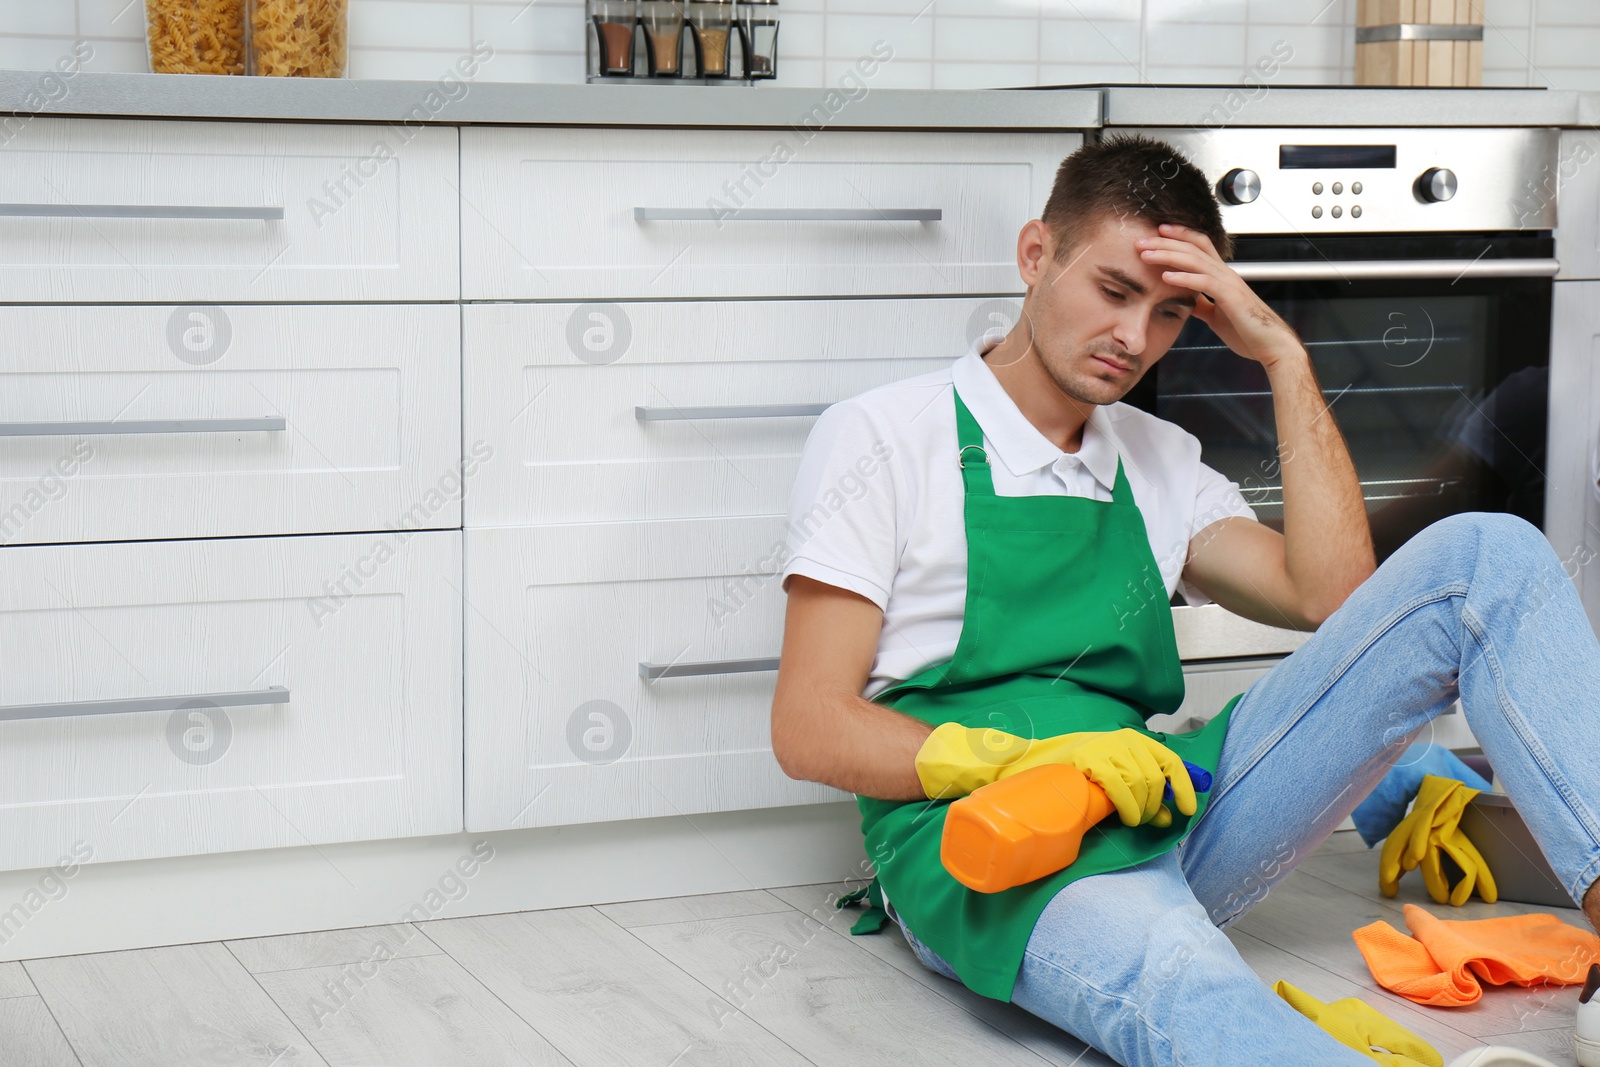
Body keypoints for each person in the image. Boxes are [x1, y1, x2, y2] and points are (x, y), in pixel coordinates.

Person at [770, 133, 1600, 1067]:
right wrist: (1023, 758)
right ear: (1036, 254)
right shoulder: (883, 435)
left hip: (1169, 797)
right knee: (1179, 978)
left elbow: (1334, 597)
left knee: (1487, 554)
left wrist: (1283, 355)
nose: (1136, 338)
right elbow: (808, 724)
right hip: (988, 846)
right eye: (1116, 291)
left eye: (1171, 313)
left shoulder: (1157, 459)